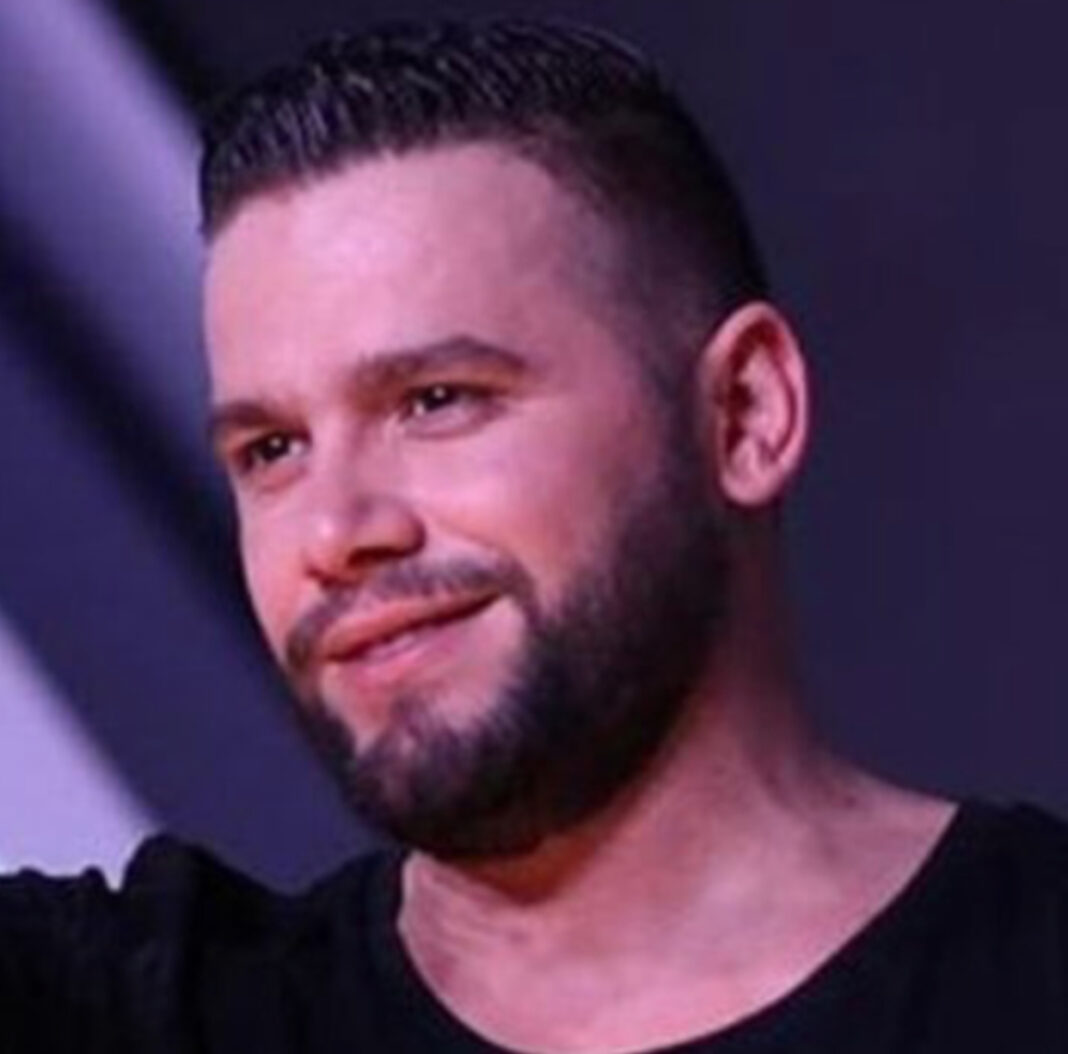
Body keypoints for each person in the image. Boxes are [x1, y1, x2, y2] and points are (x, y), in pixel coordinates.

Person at [4, 17, 1068, 1053]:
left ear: (745, 413)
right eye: (271, 449)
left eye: (436, 400)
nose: (334, 531)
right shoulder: (131, 1012)